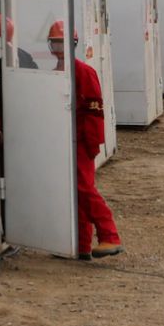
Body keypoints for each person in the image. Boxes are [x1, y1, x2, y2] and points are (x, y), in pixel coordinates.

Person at [49, 21, 122, 259]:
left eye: (63, 43)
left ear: (73, 44)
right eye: (55, 43)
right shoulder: (56, 74)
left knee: (84, 189)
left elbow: (94, 112)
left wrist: (91, 145)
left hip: (81, 142)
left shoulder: (83, 72)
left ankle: (110, 236)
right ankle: (80, 245)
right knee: (74, 192)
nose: (59, 48)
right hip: (62, 142)